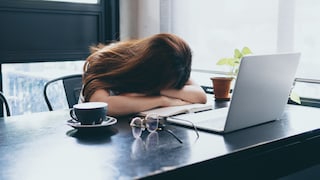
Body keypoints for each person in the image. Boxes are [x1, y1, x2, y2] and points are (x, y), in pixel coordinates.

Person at [80, 33, 207, 117]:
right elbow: (103, 105)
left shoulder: (175, 66)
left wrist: (158, 91)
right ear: (148, 70)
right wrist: (163, 100)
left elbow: (200, 96)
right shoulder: (104, 60)